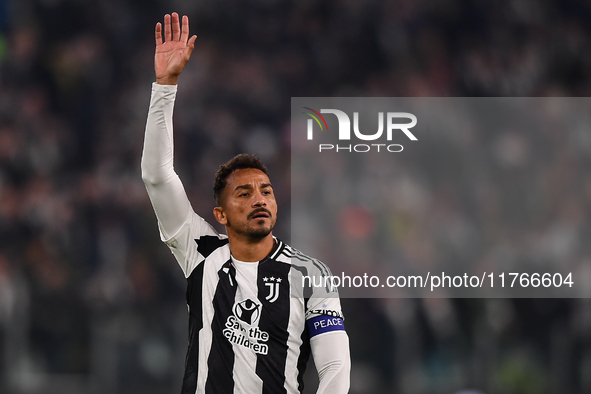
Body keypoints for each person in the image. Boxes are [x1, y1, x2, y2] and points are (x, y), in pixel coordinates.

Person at [141, 12, 350, 394]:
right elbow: (157, 177)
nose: (259, 200)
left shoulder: (310, 274)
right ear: (219, 215)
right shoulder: (200, 252)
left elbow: (335, 367)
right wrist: (166, 86)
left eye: (266, 191)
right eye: (244, 193)